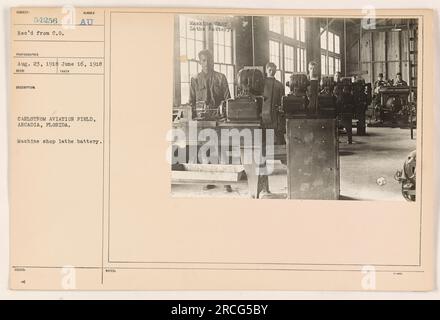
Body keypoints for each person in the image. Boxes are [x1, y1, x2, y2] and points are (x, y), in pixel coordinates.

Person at [189, 49, 232, 192]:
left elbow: (228, 100)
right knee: (205, 150)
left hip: (219, 120)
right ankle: (209, 180)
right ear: (200, 62)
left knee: (222, 150)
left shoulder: (221, 77)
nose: (206, 63)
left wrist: (222, 110)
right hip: (202, 121)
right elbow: (191, 101)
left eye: (209, 60)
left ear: (213, 61)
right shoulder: (195, 79)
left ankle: (226, 181)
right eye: (203, 60)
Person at [263, 62, 285, 144]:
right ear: (266, 70)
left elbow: (282, 102)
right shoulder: (261, 84)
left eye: (273, 70)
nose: (271, 71)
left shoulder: (279, 85)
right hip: (263, 116)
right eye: (269, 70)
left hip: (276, 116)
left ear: (275, 71)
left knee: (278, 138)